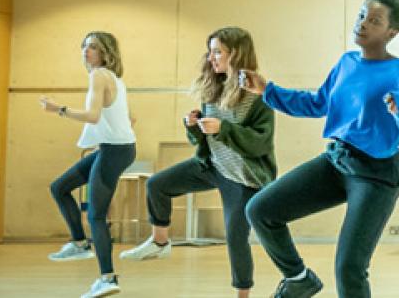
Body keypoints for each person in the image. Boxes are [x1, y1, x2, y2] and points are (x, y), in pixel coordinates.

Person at [241, 0, 399, 298]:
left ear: (391, 32)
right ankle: (300, 279)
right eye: (361, 16)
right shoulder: (346, 63)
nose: (363, 24)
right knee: (261, 209)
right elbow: (317, 103)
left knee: (349, 268)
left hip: (377, 175)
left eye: (375, 21)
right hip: (337, 162)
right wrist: (267, 90)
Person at [120, 27, 276, 298]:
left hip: (243, 178)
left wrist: (223, 129)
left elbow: (259, 143)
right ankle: (160, 242)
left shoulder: (258, 95)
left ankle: (243, 294)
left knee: (236, 237)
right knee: (158, 184)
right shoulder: (211, 90)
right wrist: (193, 126)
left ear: (236, 55)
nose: (211, 58)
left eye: (218, 52)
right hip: (211, 166)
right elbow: (202, 142)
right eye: (210, 51)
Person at [40, 31, 138, 298]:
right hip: (115, 149)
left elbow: (93, 116)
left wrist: (58, 109)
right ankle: (80, 243)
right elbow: (131, 117)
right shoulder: (114, 78)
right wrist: (108, 137)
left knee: (96, 214)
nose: (86, 51)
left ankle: (107, 278)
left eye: (93, 47)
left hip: (114, 152)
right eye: (84, 46)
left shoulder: (99, 76)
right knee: (59, 187)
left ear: (106, 52)